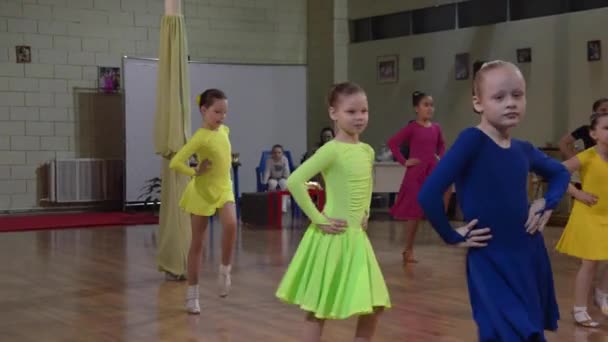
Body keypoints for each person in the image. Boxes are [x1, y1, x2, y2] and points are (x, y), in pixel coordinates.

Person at [418, 60, 570, 341]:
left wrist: (547, 202)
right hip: (491, 257)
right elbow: (428, 194)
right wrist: (451, 235)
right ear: (478, 103)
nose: (510, 103)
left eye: (517, 95)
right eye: (499, 97)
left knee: (527, 331)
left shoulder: (523, 149)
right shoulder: (471, 140)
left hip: (529, 254)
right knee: (506, 331)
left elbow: (560, 172)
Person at [276, 82, 390, 342]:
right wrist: (318, 218)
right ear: (333, 113)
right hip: (333, 238)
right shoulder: (331, 150)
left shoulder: (367, 150)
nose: (359, 117)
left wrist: (366, 213)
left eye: (364, 111)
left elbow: (367, 183)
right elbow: (295, 181)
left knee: (374, 305)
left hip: (357, 238)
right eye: (351, 112)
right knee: (318, 309)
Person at [169, 89, 237, 314]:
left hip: (224, 187)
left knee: (231, 224)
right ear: (204, 110)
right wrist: (195, 170)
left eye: (224, 113)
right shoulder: (199, 137)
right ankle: (192, 295)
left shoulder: (224, 131)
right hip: (202, 191)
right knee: (197, 244)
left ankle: (225, 270)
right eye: (217, 112)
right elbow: (176, 163)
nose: (221, 117)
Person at [556, 111, 608, 328]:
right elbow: (556, 173)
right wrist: (577, 193)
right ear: (593, 134)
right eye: (606, 128)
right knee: (590, 263)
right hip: (588, 214)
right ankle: (579, 309)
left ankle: (602, 292)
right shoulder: (587, 156)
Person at [387, 91, 446, 263]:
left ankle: (443, 235)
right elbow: (393, 143)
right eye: (425, 105)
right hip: (415, 174)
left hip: (432, 172)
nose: (430, 108)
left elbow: (441, 145)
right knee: (413, 213)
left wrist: (439, 157)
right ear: (416, 108)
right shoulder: (412, 128)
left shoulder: (436, 128)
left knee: (426, 210)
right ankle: (408, 249)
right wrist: (404, 161)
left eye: (431, 105)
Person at [263, 144, 291, 211]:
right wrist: (264, 182)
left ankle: (283, 206)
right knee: (272, 184)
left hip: (282, 177)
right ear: (272, 153)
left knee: (284, 184)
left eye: (279, 152)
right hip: (272, 177)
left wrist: (288, 178)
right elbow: (267, 171)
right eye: (275, 152)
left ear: (282, 153)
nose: (277, 154)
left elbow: (287, 171)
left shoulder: (285, 160)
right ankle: (272, 205)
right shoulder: (269, 160)